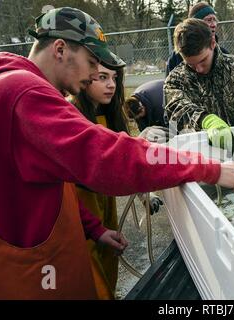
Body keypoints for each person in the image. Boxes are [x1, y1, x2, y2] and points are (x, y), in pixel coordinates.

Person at [0, 7, 234, 299]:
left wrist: (94, 228)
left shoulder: (8, 86)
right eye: (92, 61)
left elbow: (52, 184)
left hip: (41, 260)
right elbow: (110, 157)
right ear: (60, 49)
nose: (96, 74)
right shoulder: (25, 94)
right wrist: (213, 169)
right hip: (29, 277)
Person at [69, 64, 163, 299]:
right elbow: (97, 161)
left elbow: (124, 163)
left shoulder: (111, 112)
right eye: (102, 77)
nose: (111, 84)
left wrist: (145, 195)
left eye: (114, 78)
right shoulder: (69, 113)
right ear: (84, 77)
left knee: (109, 256)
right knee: (88, 265)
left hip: (105, 197)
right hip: (78, 199)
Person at [164, 18, 234, 154]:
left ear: (213, 43)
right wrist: (206, 120)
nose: (198, 69)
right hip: (200, 157)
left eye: (203, 60)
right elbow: (177, 109)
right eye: (191, 64)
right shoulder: (175, 80)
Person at [166, 2, 229, 76]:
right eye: (209, 20)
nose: (214, 25)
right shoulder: (176, 58)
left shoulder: (224, 54)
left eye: (214, 20)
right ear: (195, 24)